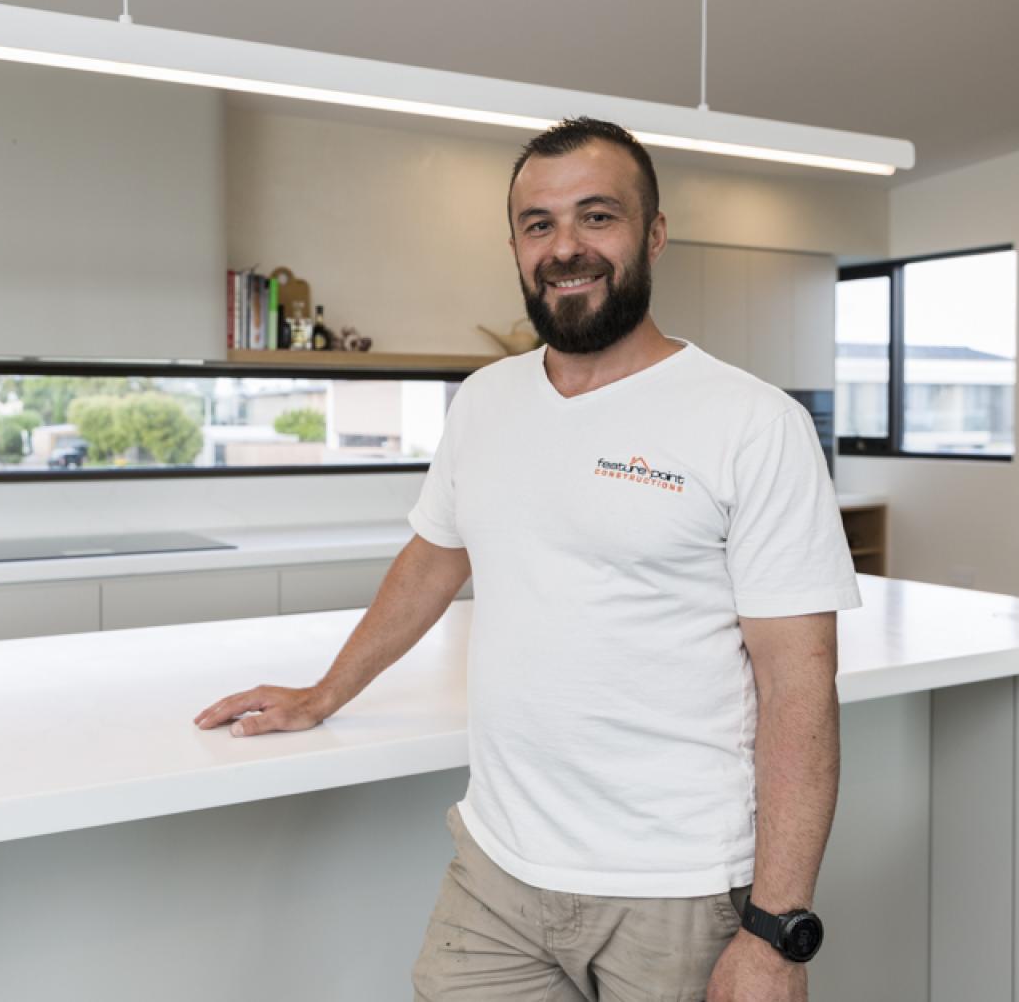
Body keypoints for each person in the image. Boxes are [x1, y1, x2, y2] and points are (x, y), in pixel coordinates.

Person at [194, 117, 860, 1002]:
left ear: (654, 233)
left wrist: (776, 934)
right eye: (539, 223)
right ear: (515, 246)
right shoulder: (484, 400)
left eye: (597, 216)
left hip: (679, 890)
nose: (565, 246)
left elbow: (799, 683)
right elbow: (433, 559)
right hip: (497, 868)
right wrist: (323, 693)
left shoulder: (753, 422)